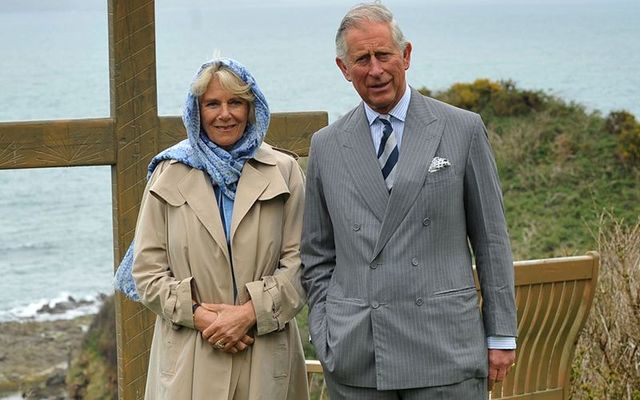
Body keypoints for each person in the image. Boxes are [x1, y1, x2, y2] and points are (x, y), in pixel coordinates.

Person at [301, 3, 517, 399]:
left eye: (383, 54)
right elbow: (316, 254)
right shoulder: (327, 145)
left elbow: (491, 240)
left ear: (406, 55)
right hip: (357, 356)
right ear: (343, 68)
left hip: (444, 350)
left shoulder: (462, 128)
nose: (376, 69)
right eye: (361, 59)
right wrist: (325, 329)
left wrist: (501, 334)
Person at [119, 58, 309, 399]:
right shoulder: (167, 173)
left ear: (252, 109)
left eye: (235, 102)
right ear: (197, 111)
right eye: (212, 104)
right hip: (190, 358)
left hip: (264, 354)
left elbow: (301, 266)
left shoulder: (286, 171)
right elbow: (146, 273)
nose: (225, 114)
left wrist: (249, 314)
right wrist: (203, 318)